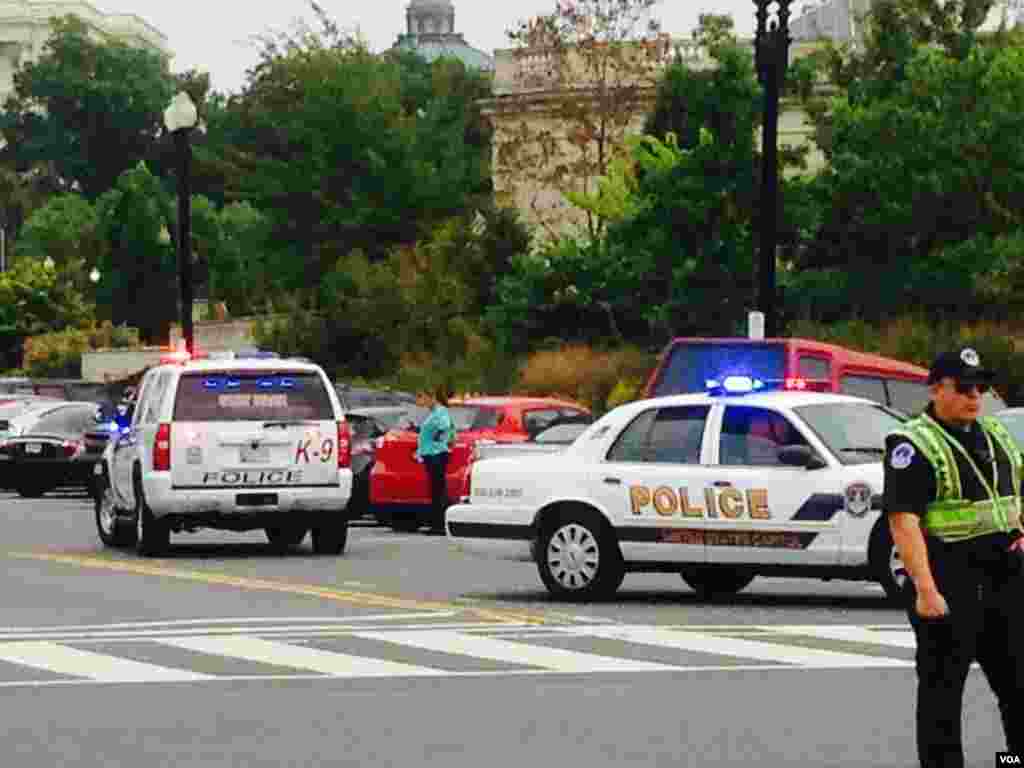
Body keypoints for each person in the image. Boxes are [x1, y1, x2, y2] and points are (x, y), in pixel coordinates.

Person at [883, 347, 1024, 768]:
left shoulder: (995, 433)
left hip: (1005, 576)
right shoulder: (914, 444)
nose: (974, 396)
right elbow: (903, 520)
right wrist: (925, 590)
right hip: (950, 579)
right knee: (943, 694)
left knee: (1017, 687)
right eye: (963, 388)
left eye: (980, 387)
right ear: (936, 389)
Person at [415, 383, 455, 533]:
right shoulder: (434, 413)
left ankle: (439, 524)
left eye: (422, 397)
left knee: (437, 490)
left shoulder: (440, 412)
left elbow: (445, 427)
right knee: (435, 489)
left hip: (436, 455)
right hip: (431, 454)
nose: (420, 401)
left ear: (431, 397)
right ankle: (437, 523)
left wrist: (437, 440)